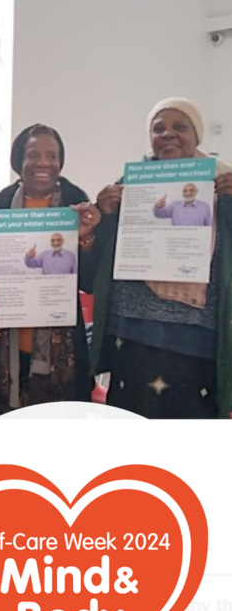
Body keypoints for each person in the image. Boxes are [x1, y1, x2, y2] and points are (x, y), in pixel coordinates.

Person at [90, 97, 232, 418]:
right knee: (130, 431)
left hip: (195, 339)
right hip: (131, 334)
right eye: (158, 128)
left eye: (179, 127)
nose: (167, 134)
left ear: (197, 136)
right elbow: (102, 261)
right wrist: (107, 214)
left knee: (189, 436)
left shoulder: (222, 184)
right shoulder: (129, 186)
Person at [0, 124, 101, 418]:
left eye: (52, 156)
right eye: (33, 155)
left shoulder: (77, 205)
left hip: (61, 349)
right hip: (5, 343)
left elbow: (90, 281)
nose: (43, 163)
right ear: (19, 161)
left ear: (60, 162)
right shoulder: (2, 205)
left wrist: (87, 238)